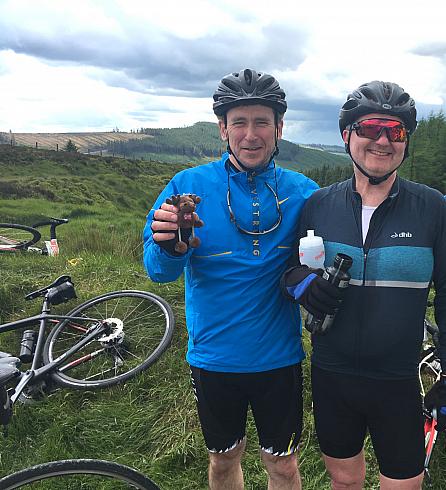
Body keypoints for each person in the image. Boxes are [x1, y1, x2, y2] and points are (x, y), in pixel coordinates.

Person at [282, 81, 446, 489]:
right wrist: (304, 288)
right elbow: (291, 270)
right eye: (370, 128)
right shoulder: (319, 205)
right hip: (332, 376)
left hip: (397, 380)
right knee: (344, 481)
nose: (382, 140)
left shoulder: (431, 208)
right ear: (347, 135)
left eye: (396, 131)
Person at [143, 68, 318, 490]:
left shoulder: (304, 191)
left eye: (262, 122)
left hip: (280, 359)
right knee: (223, 462)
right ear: (223, 128)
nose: (250, 134)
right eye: (239, 122)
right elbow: (158, 272)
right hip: (214, 360)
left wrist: (433, 205)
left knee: (284, 467)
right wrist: (169, 246)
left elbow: (360, 207)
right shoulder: (186, 185)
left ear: (279, 128)